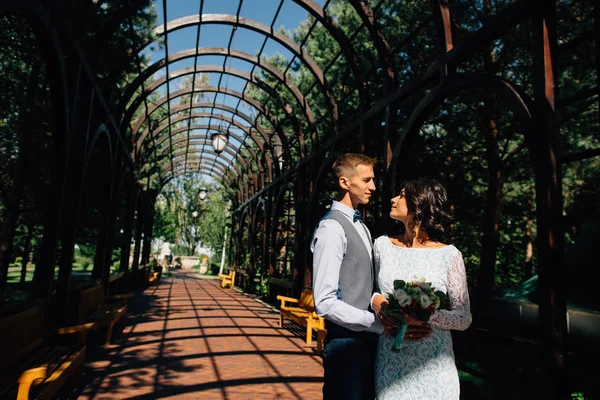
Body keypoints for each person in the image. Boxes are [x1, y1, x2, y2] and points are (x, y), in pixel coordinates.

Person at [371, 179, 471, 400]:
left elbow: (463, 317)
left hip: (434, 365)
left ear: (418, 206)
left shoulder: (449, 255)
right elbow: (373, 290)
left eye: (402, 195)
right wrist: (377, 303)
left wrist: (424, 315)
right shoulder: (382, 246)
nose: (393, 199)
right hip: (392, 359)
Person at [311, 153, 383, 400]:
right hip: (345, 346)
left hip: (367, 343)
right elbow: (324, 301)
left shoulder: (361, 226)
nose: (373, 187)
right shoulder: (331, 228)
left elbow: (362, 282)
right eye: (366, 180)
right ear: (345, 182)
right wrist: (375, 324)